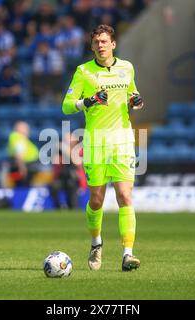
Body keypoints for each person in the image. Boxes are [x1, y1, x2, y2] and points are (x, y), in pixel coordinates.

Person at [62, 24, 144, 272]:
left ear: (113, 44)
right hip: (96, 142)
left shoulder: (126, 68)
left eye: (105, 41)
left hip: (122, 140)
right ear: (92, 45)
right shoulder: (83, 71)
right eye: (97, 42)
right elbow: (66, 106)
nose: (100, 45)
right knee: (96, 200)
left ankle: (127, 254)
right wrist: (86, 101)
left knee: (125, 196)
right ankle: (96, 242)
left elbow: (134, 97)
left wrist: (136, 101)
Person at [49, 133, 87, 209]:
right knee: (54, 187)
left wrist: (67, 151)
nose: (67, 143)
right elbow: (55, 162)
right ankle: (59, 207)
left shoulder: (79, 150)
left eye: (68, 140)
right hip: (63, 178)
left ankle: (73, 207)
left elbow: (78, 164)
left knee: (73, 197)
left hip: (75, 179)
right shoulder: (61, 152)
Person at [6, 121, 39, 187]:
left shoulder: (18, 138)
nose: (28, 130)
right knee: (23, 188)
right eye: (26, 128)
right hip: (25, 170)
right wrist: (22, 169)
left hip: (25, 168)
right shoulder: (19, 139)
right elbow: (19, 155)